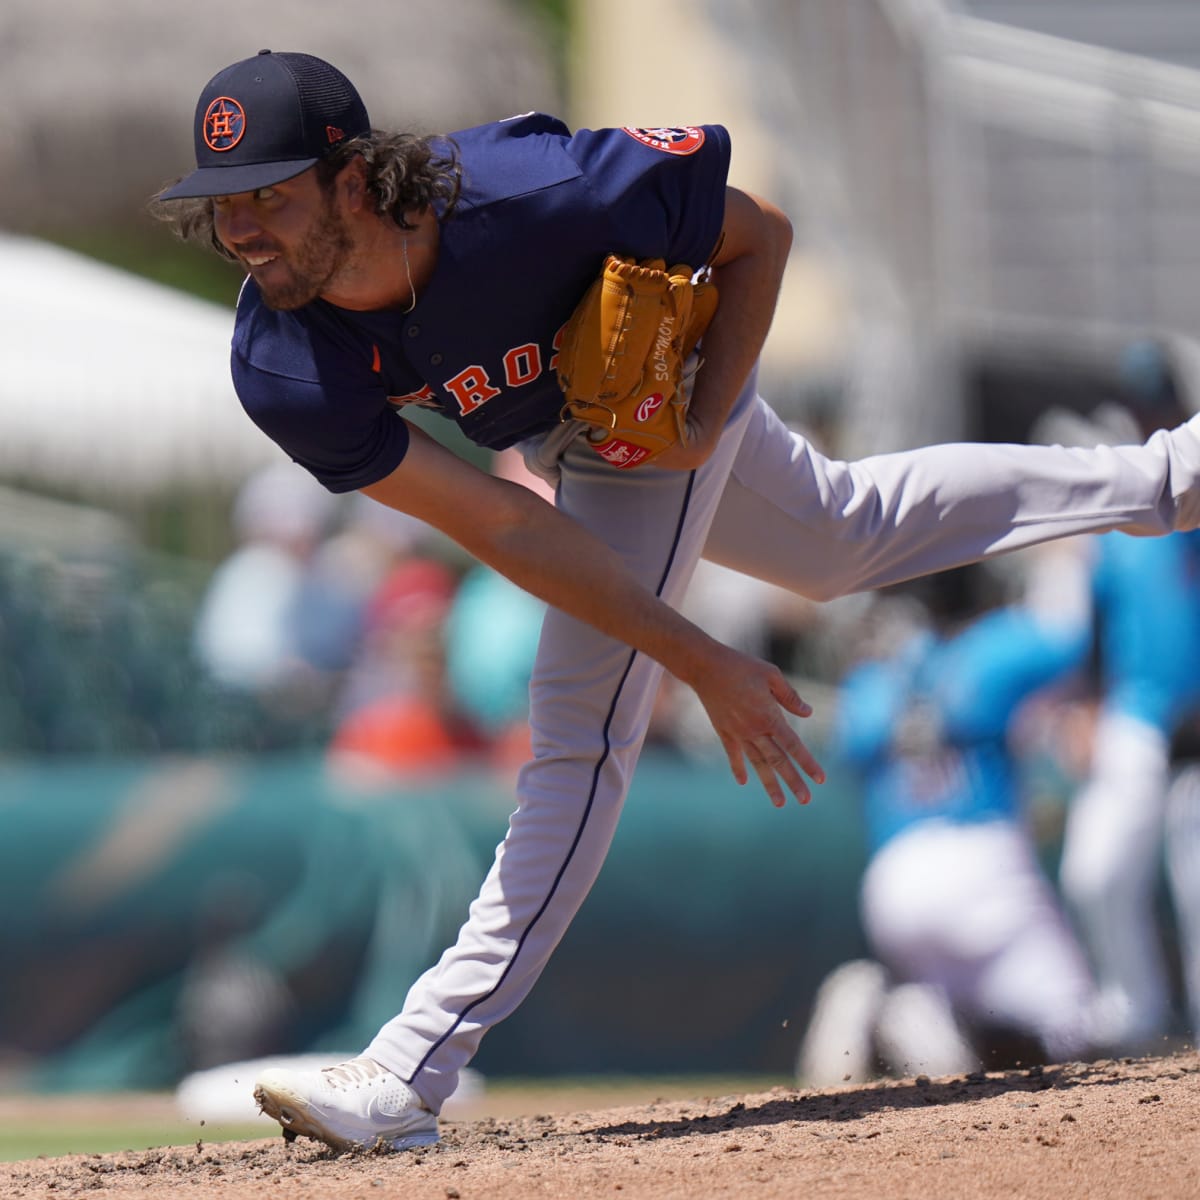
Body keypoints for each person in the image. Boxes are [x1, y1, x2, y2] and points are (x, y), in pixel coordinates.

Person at [152, 49, 1200, 1153]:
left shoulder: (534, 190)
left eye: (271, 194)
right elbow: (504, 524)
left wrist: (701, 432)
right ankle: (1172, 479)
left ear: (356, 182)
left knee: (577, 734)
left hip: (667, 389)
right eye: (224, 205)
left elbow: (762, 235)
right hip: (572, 440)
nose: (243, 229)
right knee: (842, 540)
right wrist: (698, 651)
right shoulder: (282, 361)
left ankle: (411, 1071)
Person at [797, 555, 1099, 1086]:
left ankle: (907, 1010)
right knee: (1076, 1031)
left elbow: (850, 753)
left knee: (969, 1055)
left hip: (894, 875)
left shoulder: (870, 682)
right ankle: (910, 1013)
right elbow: (1073, 638)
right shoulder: (990, 651)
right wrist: (1069, 558)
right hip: (982, 859)